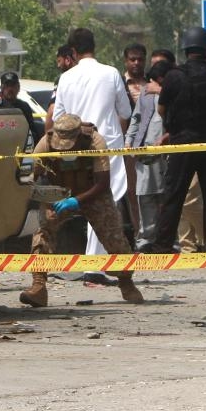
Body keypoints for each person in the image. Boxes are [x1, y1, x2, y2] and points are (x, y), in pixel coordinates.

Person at [19, 114, 143, 307]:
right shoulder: (46, 143)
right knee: (42, 234)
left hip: (93, 193)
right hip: (59, 194)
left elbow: (103, 182)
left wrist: (76, 201)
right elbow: (31, 175)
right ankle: (38, 287)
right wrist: (39, 191)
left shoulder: (94, 141)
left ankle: (126, 282)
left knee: (115, 236)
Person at [52, 28, 133, 285]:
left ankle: (94, 265)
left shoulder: (66, 78)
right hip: (106, 148)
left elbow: (57, 118)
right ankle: (94, 268)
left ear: (73, 52)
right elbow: (125, 110)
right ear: (93, 47)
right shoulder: (110, 73)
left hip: (75, 150)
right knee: (103, 203)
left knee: (89, 204)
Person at [147, 27, 206, 253]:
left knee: (174, 194)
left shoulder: (175, 76)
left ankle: (163, 244)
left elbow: (161, 109)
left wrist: (175, 128)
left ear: (186, 49)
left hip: (183, 143)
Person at [125, 57, 174, 250]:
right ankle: (145, 239)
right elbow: (136, 119)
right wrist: (129, 141)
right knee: (145, 195)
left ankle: (167, 239)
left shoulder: (174, 93)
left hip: (167, 152)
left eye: (156, 81)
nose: (151, 85)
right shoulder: (145, 93)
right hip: (144, 151)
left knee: (166, 196)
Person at [0, 71, 41, 143]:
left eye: (13, 85)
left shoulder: (24, 106)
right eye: (7, 86)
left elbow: (31, 130)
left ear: (18, 87)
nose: (10, 89)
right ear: (1, 88)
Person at [45, 44, 77, 135]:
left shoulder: (62, 79)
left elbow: (52, 110)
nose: (58, 65)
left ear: (67, 60)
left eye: (59, 61)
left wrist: (48, 138)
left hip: (69, 136)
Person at [122, 43, 148, 107]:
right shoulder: (120, 82)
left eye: (140, 59)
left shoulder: (152, 81)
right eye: (132, 60)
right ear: (125, 61)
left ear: (145, 60)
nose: (136, 63)